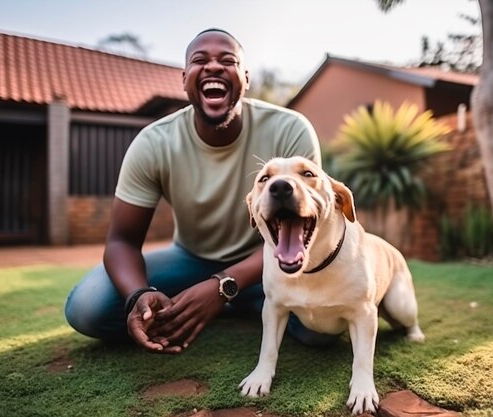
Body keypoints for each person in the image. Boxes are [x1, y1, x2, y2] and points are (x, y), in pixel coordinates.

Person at [64, 28, 338, 353]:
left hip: (270, 257)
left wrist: (223, 286)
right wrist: (138, 295)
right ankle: (236, 304)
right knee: (87, 309)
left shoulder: (290, 129)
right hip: (190, 259)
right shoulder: (154, 143)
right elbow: (122, 240)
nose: (213, 67)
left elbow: (311, 224)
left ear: (245, 78)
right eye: (199, 60)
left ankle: (239, 300)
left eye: (227, 60)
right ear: (184, 79)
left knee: (319, 331)